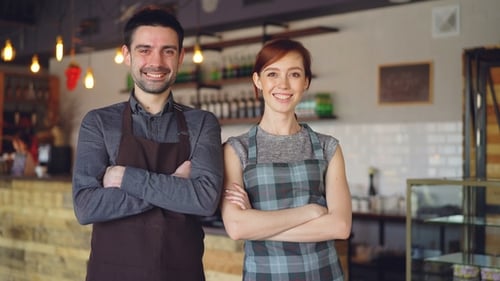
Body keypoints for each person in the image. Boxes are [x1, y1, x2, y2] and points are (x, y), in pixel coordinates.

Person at [72, 6, 223, 281]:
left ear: (180, 57)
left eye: (168, 50)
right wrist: (173, 184)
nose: (157, 61)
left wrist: (125, 177)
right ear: (126, 55)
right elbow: (86, 207)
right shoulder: (98, 123)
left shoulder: (202, 123)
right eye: (144, 50)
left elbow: (204, 200)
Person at [220, 38, 352, 281]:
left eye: (294, 74)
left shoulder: (328, 147)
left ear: (306, 82)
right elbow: (237, 227)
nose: (283, 84)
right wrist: (311, 211)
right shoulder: (235, 150)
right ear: (257, 81)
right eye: (272, 73)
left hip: (323, 274)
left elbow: (340, 227)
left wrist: (258, 226)